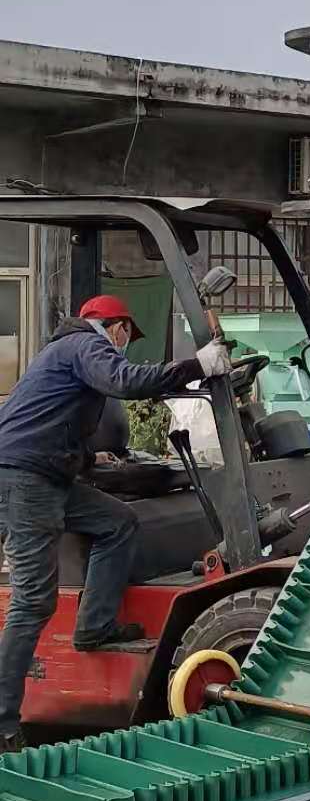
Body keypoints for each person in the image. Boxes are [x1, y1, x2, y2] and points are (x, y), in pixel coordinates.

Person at [0, 294, 230, 752]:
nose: (125, 343)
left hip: (47, 474)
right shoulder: (84, 344)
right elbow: (125, 381)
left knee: (118, 521)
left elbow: (49, 419)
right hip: (26, 480)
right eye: (127, 334)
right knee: (33, 601)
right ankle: (3, 722)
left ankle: (94, 626)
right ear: (117, 326)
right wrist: (196, 365)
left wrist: (88, 459)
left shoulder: (66, 352)